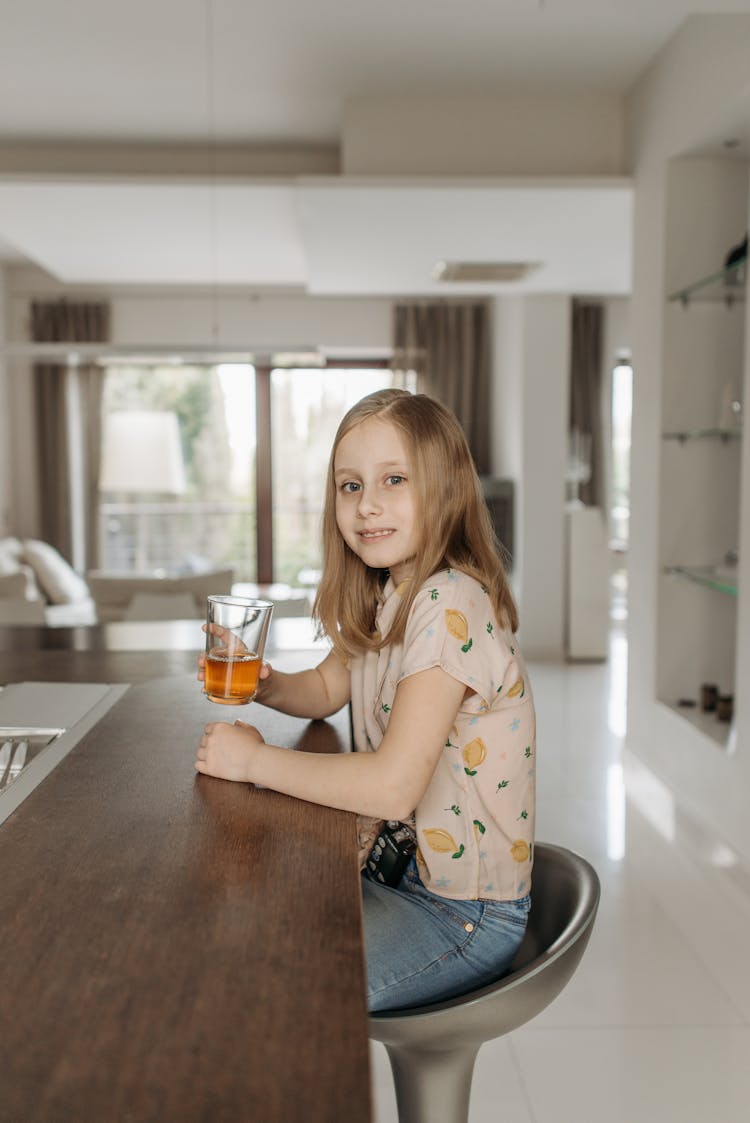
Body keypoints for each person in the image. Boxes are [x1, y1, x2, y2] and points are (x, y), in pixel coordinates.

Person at [195, 389, 536, 1012]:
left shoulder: (449, 604)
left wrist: (251, 762)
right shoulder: (390, 594)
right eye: (349, 486)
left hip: (461, 914)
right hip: (397, 875)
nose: (367, 504)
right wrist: (264, 682)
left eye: (394, 479)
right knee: (236, 935)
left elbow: (391, 789)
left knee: (268, 999)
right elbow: (327, 688)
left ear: (447, 489)